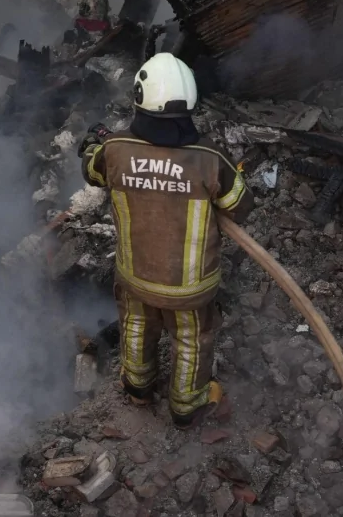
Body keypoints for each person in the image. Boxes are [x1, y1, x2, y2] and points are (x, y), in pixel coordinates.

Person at [78, 53, 253, 429]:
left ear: (139, 96)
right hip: (190, 288)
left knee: (138, 326)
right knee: (191, 340)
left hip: (135, 277)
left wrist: (93, 144)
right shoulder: (210, 158)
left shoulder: (115, 151)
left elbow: (91, 168)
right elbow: (240, 205)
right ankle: (186, 406)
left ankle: (138, 388)